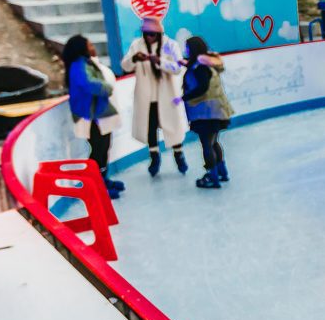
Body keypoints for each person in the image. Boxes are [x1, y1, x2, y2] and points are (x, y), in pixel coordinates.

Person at [121, 17, 188, 177]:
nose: (149, 37)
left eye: (152, 34)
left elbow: (177, 68)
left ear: (158, 33)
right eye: (146, 34)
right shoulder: (137, 45)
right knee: (149, 128)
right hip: (146, 96)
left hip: (166, 95)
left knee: (172, 126)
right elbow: (125, 66)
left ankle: (179, 155)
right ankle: (154, 157)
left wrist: (160, 61)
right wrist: (134, 58)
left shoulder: (170, 45)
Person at [63, 34, 123, 198]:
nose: (93, 47)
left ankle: (103, 179)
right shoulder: (78, 65)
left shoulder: (85, 63)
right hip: (91, 116)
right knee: (98, 150)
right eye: (89, 45)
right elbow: (89, 84)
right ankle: (96, 186)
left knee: (104, 147)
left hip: (97, 113)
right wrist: (107, 88)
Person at [181, 36, 234, 189]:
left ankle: (212, 176)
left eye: (188, 48)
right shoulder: (207, 63)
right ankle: (221, 172)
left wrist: (183, 98)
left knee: (207, 145)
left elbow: (202, 87)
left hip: (205, 113)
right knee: (214, 142)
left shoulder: (200, 67)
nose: (186, 50)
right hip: (215, 110)